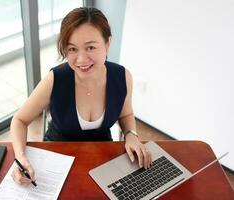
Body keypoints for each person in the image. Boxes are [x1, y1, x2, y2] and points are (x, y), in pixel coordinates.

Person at [11, 7, 152, 186]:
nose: (81, 59)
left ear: (108, 43)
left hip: (101, 156)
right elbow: (20, 120)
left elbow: (125, 114)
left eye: (91, 47)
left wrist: (131, 134)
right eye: (72, 49)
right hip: (57, 156)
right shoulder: (55, 79)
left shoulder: (122, 77)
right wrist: (20, 157)